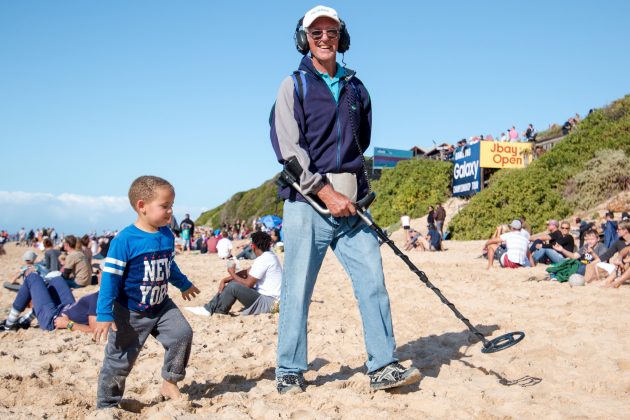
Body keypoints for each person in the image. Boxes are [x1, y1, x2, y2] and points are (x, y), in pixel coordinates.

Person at [269, 5, 420, 394]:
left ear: (341, 37)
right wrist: (325, 191)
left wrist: (347, 193)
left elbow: (361, 141)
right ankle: (289, 370)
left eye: (331, 32)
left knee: (373, 282)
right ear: (304, 39)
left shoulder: (356, 87)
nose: (324, 38)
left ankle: (383, 365)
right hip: (308, 205)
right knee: (297, 290)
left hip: (353, 208)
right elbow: (289, 150)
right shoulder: (293, 85)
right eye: (315, 32)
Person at [93, 175, 200, 409]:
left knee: (182, 334)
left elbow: (169, 266)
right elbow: (110, 280)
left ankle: (170, 381)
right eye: (165, 206)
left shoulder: (166, 235)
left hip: (162, 306)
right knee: (119, 360)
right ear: (142, 206)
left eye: (171, 205)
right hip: (129, 311)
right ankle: (107, 404)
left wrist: (183, 284)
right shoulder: (125, 240)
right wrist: (104, 313)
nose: (170, 211)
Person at [205, 231, 282, 315]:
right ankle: (212, 307)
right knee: (234, 282)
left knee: (233, 286)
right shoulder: (270, 256)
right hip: (273, 301)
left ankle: (215, 310)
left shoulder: (263, 259)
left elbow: (248, 284)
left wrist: (232, 273)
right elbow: (247, 272)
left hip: (271, 304)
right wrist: (225, 280)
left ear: (253, 246)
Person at [1, 269, 101, 333]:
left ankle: (8, 325)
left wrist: (68, 324)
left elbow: (93, 329)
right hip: (66, 307)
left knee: (32, 277)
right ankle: (25, 320)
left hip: (53, 320)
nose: (98, 274)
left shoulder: (101, 299)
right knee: (56, 278)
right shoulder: (103, 295)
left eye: (101, 271)